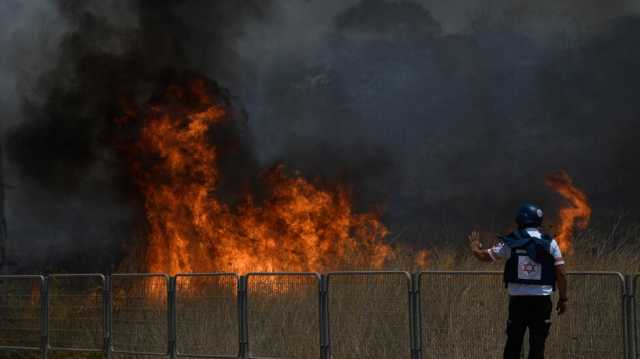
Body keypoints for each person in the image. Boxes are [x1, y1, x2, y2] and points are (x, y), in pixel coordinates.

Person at [469, 203, 568, 359]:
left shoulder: (511, 242)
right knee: (537, 346)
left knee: (513, 346)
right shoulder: (551, 243)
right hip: (542, 302)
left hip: (518, 303)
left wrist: (474, 247)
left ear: (520, 220)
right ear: (538, 221)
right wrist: (563, 298)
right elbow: (561, 273)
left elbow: (484, 257)